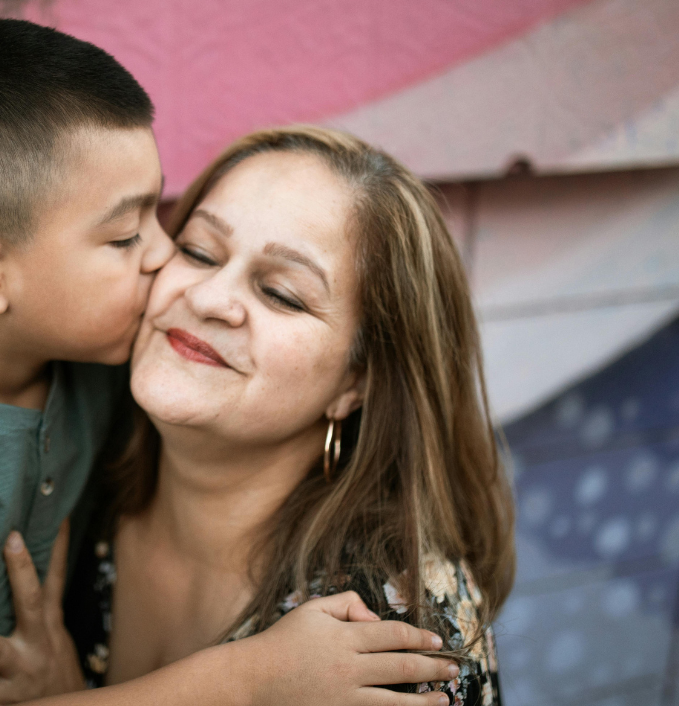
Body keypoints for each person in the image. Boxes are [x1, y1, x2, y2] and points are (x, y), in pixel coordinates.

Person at [0, 16, 459, 706]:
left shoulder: (89, 368)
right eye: (133, 238)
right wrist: (248, 680)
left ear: (360, 381)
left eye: (281, 292)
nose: (172, 264)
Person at [56, 126, 515, 705]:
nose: (208, 298)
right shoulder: (67, 459)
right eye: (197, 251)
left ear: (357, 380)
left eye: (281, 293)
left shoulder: (389, 631)